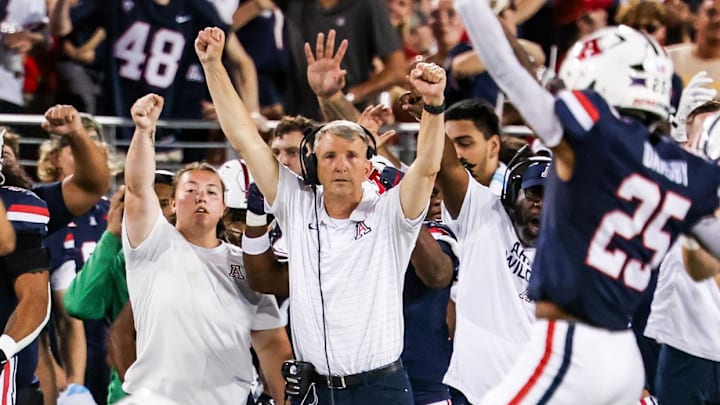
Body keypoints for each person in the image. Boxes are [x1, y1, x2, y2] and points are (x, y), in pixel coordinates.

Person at [456, 0, 720, 403]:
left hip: (574, 349)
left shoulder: (593, 136)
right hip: (623, 355)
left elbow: (510, 70)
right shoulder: (684, 169)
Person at [197, 23, 446, 403]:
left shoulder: (391, 212)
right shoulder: (295, 202)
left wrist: (434, 106)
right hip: (315, 389)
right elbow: (244, 137)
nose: (341, 165)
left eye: (352, 156)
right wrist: (213, 63)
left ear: (369, 167)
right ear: (313, 165)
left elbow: (427, 168)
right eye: (330, 156)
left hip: (382, 389)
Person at [121, 93, 291, 404]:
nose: (201, 197)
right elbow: (137, 189)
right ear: (172, 203)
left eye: (212, 192)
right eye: (190, 190)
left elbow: (271, 343)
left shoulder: (247, 265)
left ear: (224, 205)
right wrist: (144, 132)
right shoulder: (151, 243)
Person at [63, 170, 175, 404]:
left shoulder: (201, 255)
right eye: (146, 204)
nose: (155, 214)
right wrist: (112, 234)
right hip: (129, 393)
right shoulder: (118, 259)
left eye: (163, 204)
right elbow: (79, 305)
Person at [642, 100, 720, 405]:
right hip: (678, 339)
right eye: (689, 137)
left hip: (698, 344)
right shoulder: (674, 184)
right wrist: (666, 134)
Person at [35, 115, 111, 404]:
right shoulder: (38, 207)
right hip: (56, 338)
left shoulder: (111, 211)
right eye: (77, 145)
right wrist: (53, 365)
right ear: (55, 157)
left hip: (105, 338)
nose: (89, 150)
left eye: (94, 143)